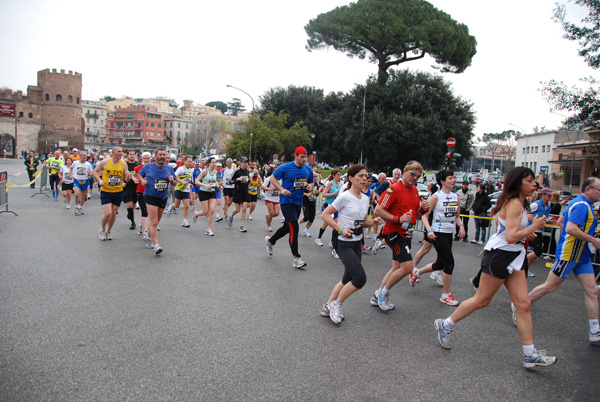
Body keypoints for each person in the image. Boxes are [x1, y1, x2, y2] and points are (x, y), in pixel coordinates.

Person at [434, 167, 556, 368]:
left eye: (534, 180)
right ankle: (445, 324)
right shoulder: (515, 204)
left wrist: (527, 232)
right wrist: (533, 227)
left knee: (523, 304)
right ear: (518, 183)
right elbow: (509, 236)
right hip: (500, 255)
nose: (534, 184)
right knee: (482, 300)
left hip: (514, 255)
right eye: (530, 180)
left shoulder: (518, 203)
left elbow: (511, 231)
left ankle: (529, 353)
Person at [527, 177, 600, 345]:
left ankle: (595, 330)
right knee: (550, 286)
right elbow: (569, 228)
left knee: (593, 290)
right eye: (598, 190)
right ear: (588, 189)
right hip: (569, 254)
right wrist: (592, 240)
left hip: (581, 255)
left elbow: (561, 221)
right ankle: (521, 304)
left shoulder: (581, 203)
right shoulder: (582, 205)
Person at [319, 164, 382, 324]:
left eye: (366, 176)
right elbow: (326, 215)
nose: (364, 178)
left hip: (356, 243)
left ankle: (327, 305)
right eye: (360, 176)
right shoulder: (344, 197)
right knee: (359, 278)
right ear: (351, 178)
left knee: (347, 280)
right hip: (343, 244)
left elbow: (361, 222)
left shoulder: (366, 198)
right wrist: (340, 229)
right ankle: (336, 305)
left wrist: (372, 221)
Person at [369, 161, 430, 311]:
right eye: (413, 174)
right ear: (405, 171)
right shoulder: (393, 189)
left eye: (418, 175)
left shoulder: (415, 190)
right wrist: (398, 219)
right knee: (408, 266)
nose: (415, 177)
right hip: (393, 232)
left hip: (406, 233)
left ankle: (377, 294)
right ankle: (384, 293)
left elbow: (414, 214)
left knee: (397, 267)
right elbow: (378, 210)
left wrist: (422, 210)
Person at [410, 170, 465, 306]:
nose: (453, 180)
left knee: (439, 264)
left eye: (454, 178)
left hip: (449, 232)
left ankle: (417, 271)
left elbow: (457, 217)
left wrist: (462, 226)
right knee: (449, 262)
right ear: (442, 181)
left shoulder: (455, 197)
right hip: (437, 232)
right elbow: (424, 215)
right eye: (450, 178)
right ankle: (446, 295)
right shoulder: (436, 196)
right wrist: (429, 230)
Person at [265, 146, 314, 269]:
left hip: (298, 202)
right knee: (294, 226)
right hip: (286, 201)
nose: (304, 159)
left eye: (305, 157)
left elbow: (311, 182)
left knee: (288, 227)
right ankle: (296, 258)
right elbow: (272, 178)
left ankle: (271, 241)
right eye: (302, 157)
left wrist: (310, 186)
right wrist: (281, 189)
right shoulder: (285, 167)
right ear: (295, 156)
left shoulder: (307, 169)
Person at [137, 148, 177, 255]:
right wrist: (142, 180)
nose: (162, 156)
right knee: (154, 221)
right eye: (160, 155)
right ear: (155, 156)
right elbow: (139, 174)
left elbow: (174, 183)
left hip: (162, 197)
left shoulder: (169, 168)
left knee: (156, 222)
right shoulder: (148, 166)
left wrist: (172, 180)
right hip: (150, 196)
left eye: (164, 155)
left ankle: (149, 237)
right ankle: (156, 245)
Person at [93, 146, 130, 241]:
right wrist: (100, 181)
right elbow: (95, 171)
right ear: (113, 153)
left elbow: (126, 178)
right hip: (106, 191)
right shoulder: (105, 162)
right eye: (119, 152)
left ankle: (108, 231)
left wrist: (127, 178)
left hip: (118, 191)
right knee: (108, 213)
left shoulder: (123, 164)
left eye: (122, 152)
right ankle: (102, 229)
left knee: (113, 214)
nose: (121, 153)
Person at [315, 169, 342, 258]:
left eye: (340, 174)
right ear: (333, 175)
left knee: (333, 223)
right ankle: (319, 239)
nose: (339, 176)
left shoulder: (340, 184)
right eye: (338, 175)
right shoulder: (330, 183)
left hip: (335, 207)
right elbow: (324, 195)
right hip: (328, 205)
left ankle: (332, 241)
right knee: (331, 223)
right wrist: (334, 193)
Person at [525, 187, 553, 273]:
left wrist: (549, 221)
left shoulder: (547, 206)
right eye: (548, 195)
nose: (550, 197)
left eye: (550, 195)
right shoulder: (536, 204)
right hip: (531, 230)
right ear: (543, 195)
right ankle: (522, 264)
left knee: (537, 253)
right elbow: (525, 213)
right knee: (538, 251)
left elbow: (544, 217)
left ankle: (526, 268)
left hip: (539, 231)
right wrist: (529, 218)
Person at [193, 157, 221, 236]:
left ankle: (208, 229)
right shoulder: (204, 171)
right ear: (208, 163)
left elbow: (214, 181)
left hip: (212, 192)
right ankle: (196, 214)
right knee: (205, 212)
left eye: (215, 162)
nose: (214, 164)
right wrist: (205, 185)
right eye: (213, 162)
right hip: (203, 192)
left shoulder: (215, 172)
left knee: (211, 211)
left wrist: (218, 186)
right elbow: (196, 181)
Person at [166, 155, 194, 228]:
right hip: (179, 189)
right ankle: (170, 207)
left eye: (191, 162)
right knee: (176, 205)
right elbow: (174, 177)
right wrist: (182, 182)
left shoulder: (190, 171)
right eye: (189, 161)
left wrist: (190, 185)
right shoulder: (181, 169)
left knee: (186, 206)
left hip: (186, 191)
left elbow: (189, 180)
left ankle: (185, 220)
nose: (190, 163)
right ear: (185, 162)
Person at [229, 156, 251, 232]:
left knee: (244, 208)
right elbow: (230, 181)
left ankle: (242, 226)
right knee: (238, 210)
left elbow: (248, 181)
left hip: (245, 192)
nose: (245, 164)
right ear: (240, 163)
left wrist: (249, 181)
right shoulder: (236, 171)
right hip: (238, 192)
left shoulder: (248, 172)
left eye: (246, 162)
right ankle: (231, 216)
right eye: (244, 162)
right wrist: (238, 179)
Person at [132, 152, 151, 238]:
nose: (146, 160)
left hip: (150, 192)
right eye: (145, 158)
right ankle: (145, 230)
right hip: (140, 191)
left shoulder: (153, 168)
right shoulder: (138, 168)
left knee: (148, 211)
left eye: (148, 158)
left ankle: (141, 225)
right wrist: (135, 179)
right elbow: (133, 176)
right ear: (142, 159)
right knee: (144, 211)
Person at [71, 150, 93, 215]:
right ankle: (77, 206)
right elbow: (71, 168)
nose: (84, 157)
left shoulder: (88, 164)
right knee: (76, 194)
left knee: (83, 196)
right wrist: (71, 174)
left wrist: (90, 174)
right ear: (80, 156)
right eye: (83, 155)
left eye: (85, 155)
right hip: (77, 180)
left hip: (85, 181)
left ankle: (80, 207)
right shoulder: (75, 163)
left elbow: (91, 172)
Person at [123, 150, 140, 230]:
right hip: (127, 186)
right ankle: (133, 222)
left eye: (133, 154)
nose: (132, 156)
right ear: (127, 156)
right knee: (129, 204)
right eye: (130, 154)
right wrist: (122, 183)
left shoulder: (138, 165)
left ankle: (130, 213)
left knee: (133, 205)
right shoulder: (125, 165)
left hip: (136, 187)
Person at [299, 171, 319, 237]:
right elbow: (300, 192)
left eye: (316, 176)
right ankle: (297, 224)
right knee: (306, 217)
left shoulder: (315, 184)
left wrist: (317, 193)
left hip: (312, 202)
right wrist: (306, 194)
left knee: (312, 218)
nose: (315, 178)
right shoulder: (305, 183)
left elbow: (316, 193)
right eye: (314, 176)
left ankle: (305, 231)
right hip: (305, 202)